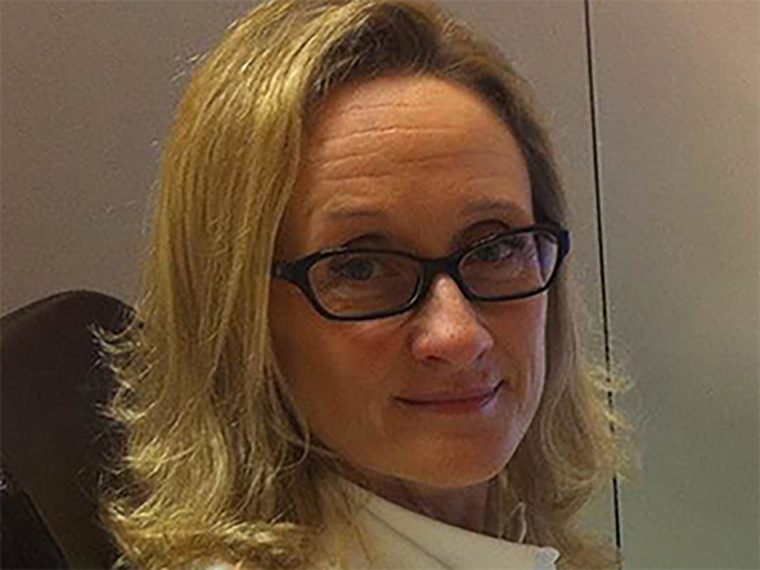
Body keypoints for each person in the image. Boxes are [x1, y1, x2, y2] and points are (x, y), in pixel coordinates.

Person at [97, 1, 640, 569]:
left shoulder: (505, 531)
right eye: (360, 268)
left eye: (496, 248)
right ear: (240, 318)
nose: (458, 337)